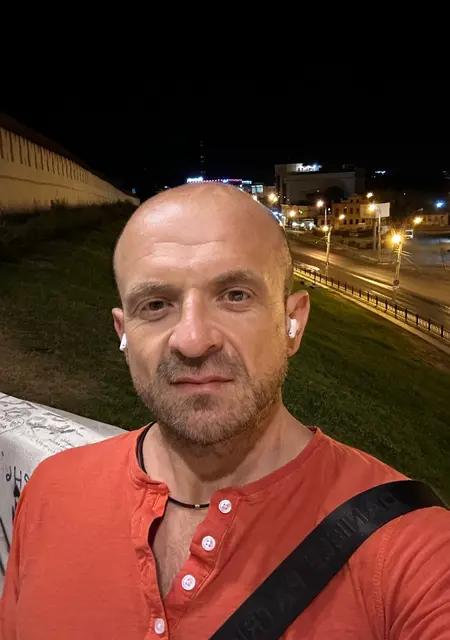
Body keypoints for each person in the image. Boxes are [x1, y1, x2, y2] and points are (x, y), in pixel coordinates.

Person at [1, 184, 449, 639]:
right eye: (156, 305)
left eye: (235, 295)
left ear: (293, 323)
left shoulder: (411, 550)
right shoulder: (49, 494)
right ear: (124, 334)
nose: (193, 340)